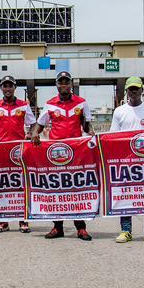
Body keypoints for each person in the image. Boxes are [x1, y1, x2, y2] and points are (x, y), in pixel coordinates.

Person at [30, 71, 94, 241]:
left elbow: (87, 126)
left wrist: (92, 134)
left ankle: (81, 228)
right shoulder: (50, 104)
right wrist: (35, 133)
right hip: (55, 154)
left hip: (76, 153)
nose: (64, 85)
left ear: (71, 84)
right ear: (57, 85)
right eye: (61, 82)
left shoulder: (81, 103)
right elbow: (40, 124)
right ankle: (57, 227)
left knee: (76, 189)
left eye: (67, 82)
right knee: (56, 190)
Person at [108, 76, 144, 245]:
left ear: (142, 90)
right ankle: (126, 230)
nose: (133, 92)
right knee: (126, 195)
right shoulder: (119, 112)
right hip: (127, 163)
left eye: (136, 88)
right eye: (130, 89)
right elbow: (113, 136)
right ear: (127, 91)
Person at [0, 75, 34, 233]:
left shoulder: (24, 105)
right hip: (0, 150)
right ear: (1, 88)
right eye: (5, 86)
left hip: (19, 151)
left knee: (21, 185)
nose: (8, 88)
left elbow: (33, 124)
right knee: (3, 185)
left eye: (10, 86)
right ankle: (3, 221)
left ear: (15, 88)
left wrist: (31, 134)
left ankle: (24, 220)